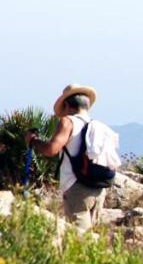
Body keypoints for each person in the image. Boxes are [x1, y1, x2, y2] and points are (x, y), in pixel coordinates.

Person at [25, 83, 110, 231]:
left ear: (66, 105)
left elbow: (51, 149)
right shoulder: (97, 126)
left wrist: (32, 140)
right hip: (99, 188)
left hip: (77, 189)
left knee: (79, 242)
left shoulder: (68, 122)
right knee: (93, 240)